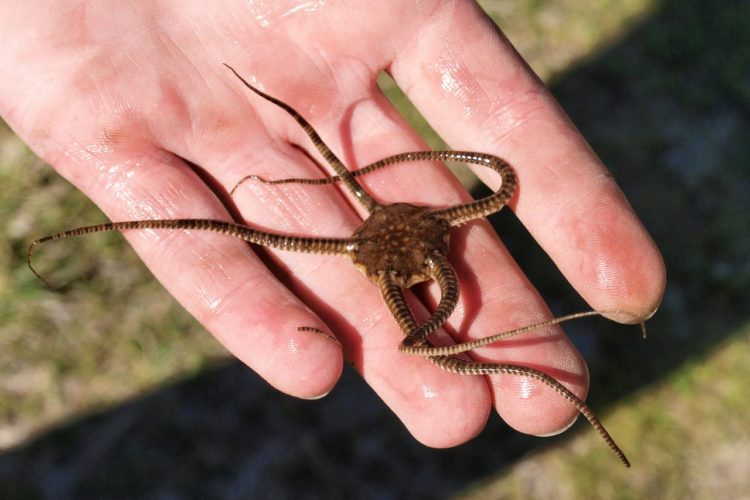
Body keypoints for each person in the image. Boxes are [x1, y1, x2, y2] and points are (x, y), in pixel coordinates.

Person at [0, 1, 665, 447]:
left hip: (396, 230)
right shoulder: (399, 250)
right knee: (246, 231)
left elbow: (499, 184)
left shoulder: (423, 242)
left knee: (414, 330)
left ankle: (551, 386)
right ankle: (548, 385)